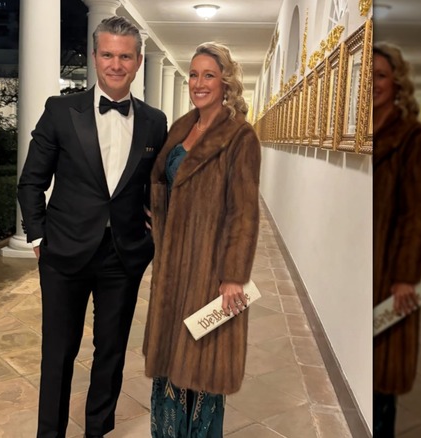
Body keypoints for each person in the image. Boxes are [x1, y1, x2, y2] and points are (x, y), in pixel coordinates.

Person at [17, 15, 168, 438]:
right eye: (107, 54)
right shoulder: (61, 110)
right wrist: (38, 234)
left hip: (123, 255)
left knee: (111, 354)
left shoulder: (156, 121)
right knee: (58, 353)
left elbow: (156, 185)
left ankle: (96, 432)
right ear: (95, 57)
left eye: (124, 56)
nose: (115, 64)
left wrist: (154, 230)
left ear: (138, 61)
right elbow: (32, 180)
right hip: (63, 253)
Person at [142, 41, 261, 436]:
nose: (198, 82)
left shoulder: (240, 137)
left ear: (225, 82)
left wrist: (233, 276)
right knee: (170, 365)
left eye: (208, 75)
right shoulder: (182, 126)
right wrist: (158, 216)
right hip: (173, 265)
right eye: (193, 74)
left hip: (209, 269)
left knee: (201, 367)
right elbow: (161, 180)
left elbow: (243, 212)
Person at [372, 42, 421, 437]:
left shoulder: (411, 137)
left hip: (388, 270)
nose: (372, 84)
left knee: (380, 382)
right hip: (357, 266)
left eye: (380, 76)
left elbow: (416, 213)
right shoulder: (357, 130)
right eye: (367, 76)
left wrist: (406, 276)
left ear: (397, 83)